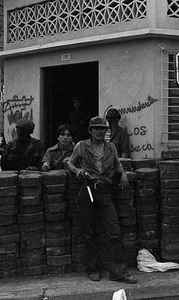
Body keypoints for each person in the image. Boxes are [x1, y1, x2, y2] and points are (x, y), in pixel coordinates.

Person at [67, 116, 137, 284]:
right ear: (90, 131)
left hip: (105, 192)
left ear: (107, 131)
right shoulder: (81, 146)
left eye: (103, 129)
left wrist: (124, 173)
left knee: (114, 232)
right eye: (96, 129)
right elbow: (70, 163)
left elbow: (117, 165)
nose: (100, 131)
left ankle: (118, 272)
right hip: (88, 190)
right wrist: (77, 172)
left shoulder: (111, 147)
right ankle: (92, 269)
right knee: (89, 233)